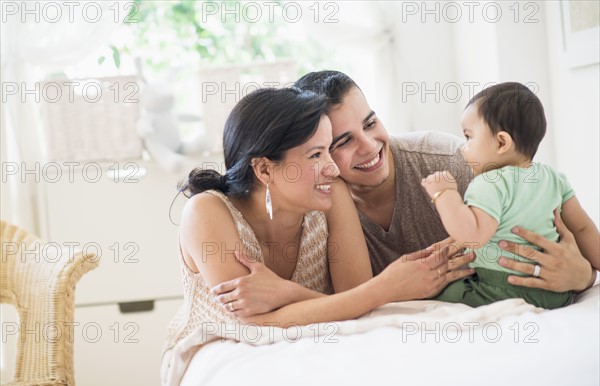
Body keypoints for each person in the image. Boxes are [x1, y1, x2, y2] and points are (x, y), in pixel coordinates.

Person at [162, 87, 463, 386]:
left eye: (329, 151)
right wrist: (387, 287)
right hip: (221, 343)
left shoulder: (332, 193)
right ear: (265, 168)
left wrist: (287, 292)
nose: (332, 168)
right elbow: (254, 325)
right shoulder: (206, 212)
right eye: (316, 154)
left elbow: (355, 300)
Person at [212, 71, 597, 313]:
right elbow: (355, 299)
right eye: (342, 141)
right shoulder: (319, 198)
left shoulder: (452, 161)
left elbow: (546, 220)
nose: (370, 146)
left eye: (372, 122)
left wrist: (582, 275)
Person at [421, 82, 600, 308]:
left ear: (502, 142)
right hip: (556, 292)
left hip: (501, 288)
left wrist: (444, 194)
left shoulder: (488, 183)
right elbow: (582, 228)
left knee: (439, 292)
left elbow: (473, 236)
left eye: (468, 137)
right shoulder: (554, 178)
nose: (463, 148)